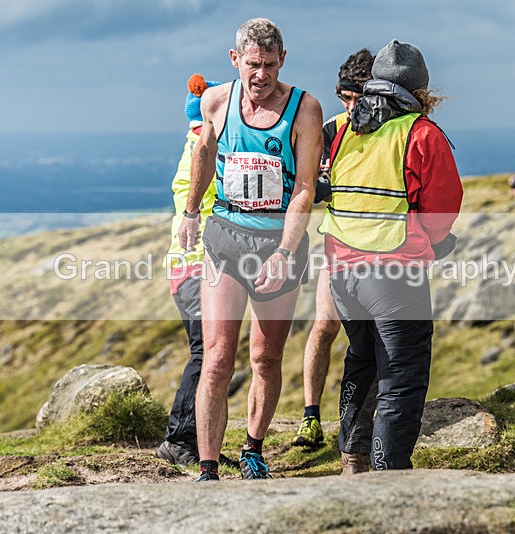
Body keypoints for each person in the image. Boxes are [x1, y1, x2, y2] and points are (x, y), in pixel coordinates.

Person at [178, 18, 323, 481]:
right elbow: (203, 151)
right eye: (251, 65)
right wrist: (190, 210)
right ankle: (206, 467)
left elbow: (304, 188)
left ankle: (253, 449)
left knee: (265, 356)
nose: (260, 76)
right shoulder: (216, 100)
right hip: (225, 238)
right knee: (218, 356)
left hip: (278, 244)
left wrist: (284, 250)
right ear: (234, 60)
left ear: (283, 59)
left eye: (268, 65)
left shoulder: (305, 110)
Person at [320, 39, 463, 471]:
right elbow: (442, 208)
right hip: (394, 275)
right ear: (420, 90)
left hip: (342, 275)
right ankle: (389, 475)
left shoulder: (345, 128)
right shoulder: (421, 133)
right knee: (401, 377)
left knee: (362, 362)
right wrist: (432, 243)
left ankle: (353, 460)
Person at [291, 49, 378, 476]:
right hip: (338, 247)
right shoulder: (329, 130)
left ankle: (368, 428)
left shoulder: (388, 127)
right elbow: (305, 181)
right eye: (343, 98)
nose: (349, 107)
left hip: (379, 251)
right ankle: (311, 415)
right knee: (324, 327)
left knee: (374, 344)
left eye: (355, 98)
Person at [155, 74, 238, 470]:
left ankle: (197, 439)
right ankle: (180, 438)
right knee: (208, 354)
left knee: (211, 353)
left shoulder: (195, 145)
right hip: (195, 267)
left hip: (192, 267)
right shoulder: (206, 149)